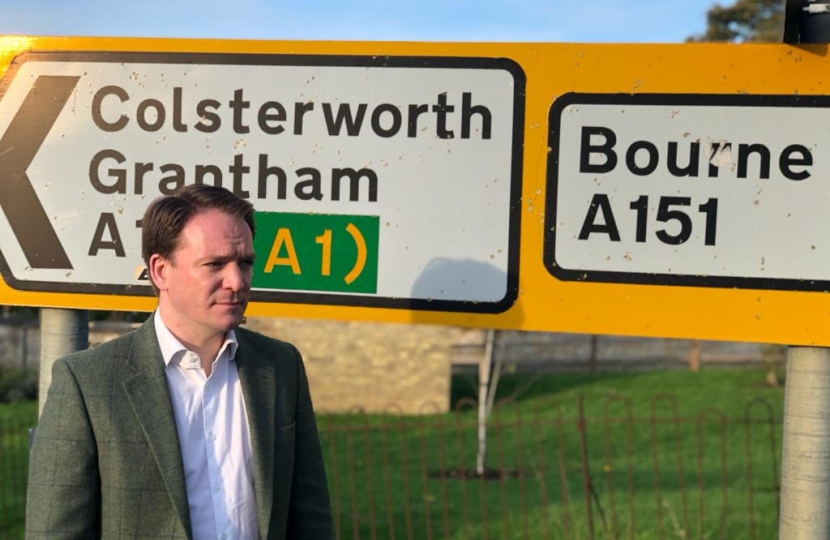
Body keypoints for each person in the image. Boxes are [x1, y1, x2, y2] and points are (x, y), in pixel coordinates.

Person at [26, 184, 332, 540]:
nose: (236, 281)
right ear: (160, 271)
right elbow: (56, 532)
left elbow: (310, 517)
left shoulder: (280, 367)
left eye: (245, 263)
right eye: (214, 264)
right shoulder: (87, 382)